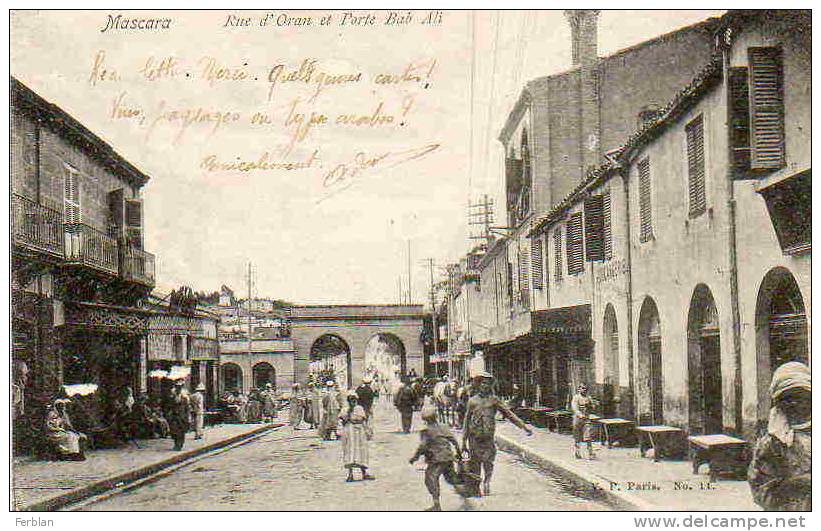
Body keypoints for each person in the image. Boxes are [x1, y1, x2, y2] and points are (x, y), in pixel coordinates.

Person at [748, 361, 811, 511]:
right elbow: (760, 489)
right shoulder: (772, 442)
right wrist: (797, 483)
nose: (794, 403)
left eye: (800, 396)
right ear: (778, 403)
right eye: (787, 398)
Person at [462, 371, 532, 496]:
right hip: (474, 438)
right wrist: (463, 442)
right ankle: (477, 487)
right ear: (478, 385)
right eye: (483, 383)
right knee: (475, 463)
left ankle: (487, 482)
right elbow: (466, 421)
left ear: (490, 386)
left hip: (488, 437)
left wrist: (524, 427)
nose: (485, 386)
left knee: (488, 462)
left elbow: (509, 414)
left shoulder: (494, 400)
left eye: (487, 384)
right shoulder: (472, 401)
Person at [409, 406, 465, 511]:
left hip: (436, 460)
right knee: (451, 478)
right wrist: (459, 455)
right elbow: (454, 441)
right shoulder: (444, 427)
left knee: (430, 479)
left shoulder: (426, 431)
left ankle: (436, 505)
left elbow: (422, 446)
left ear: (425, 420)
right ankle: (467, 495)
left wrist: (414, 458)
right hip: (448, 458)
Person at [338, 393, 375, 482]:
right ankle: (358, 473)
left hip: (351, 431)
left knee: (352, 451)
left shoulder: (346, 410)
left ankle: (354, 474)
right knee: (358, 451)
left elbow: (342, 421)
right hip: (356, 431)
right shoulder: (357, 409)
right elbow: (362, 420)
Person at [570, 383, 596, 460]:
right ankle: (577, 451)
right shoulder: (576, 397)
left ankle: (590, 453)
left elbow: (593, 407)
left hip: (586, 419)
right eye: (582, 388)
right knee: (577, 436)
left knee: (588, 436)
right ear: (579, 389)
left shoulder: (588, 398)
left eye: (585, 389)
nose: (584, 390)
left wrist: (591, 406)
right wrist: (580, 414)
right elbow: (574, 408)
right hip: (578, 419)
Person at [166, 380, 191, 451]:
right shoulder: (172, 396)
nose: (178, 389)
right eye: (177, 387)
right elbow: (169, 406)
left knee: (181, 432)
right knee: (174, 431)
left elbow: (187, 408)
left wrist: (188, 417)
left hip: (182, 417)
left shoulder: (184, 397)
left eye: (179, 387)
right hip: (174, 416)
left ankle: (179, 445)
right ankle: (176, 443)